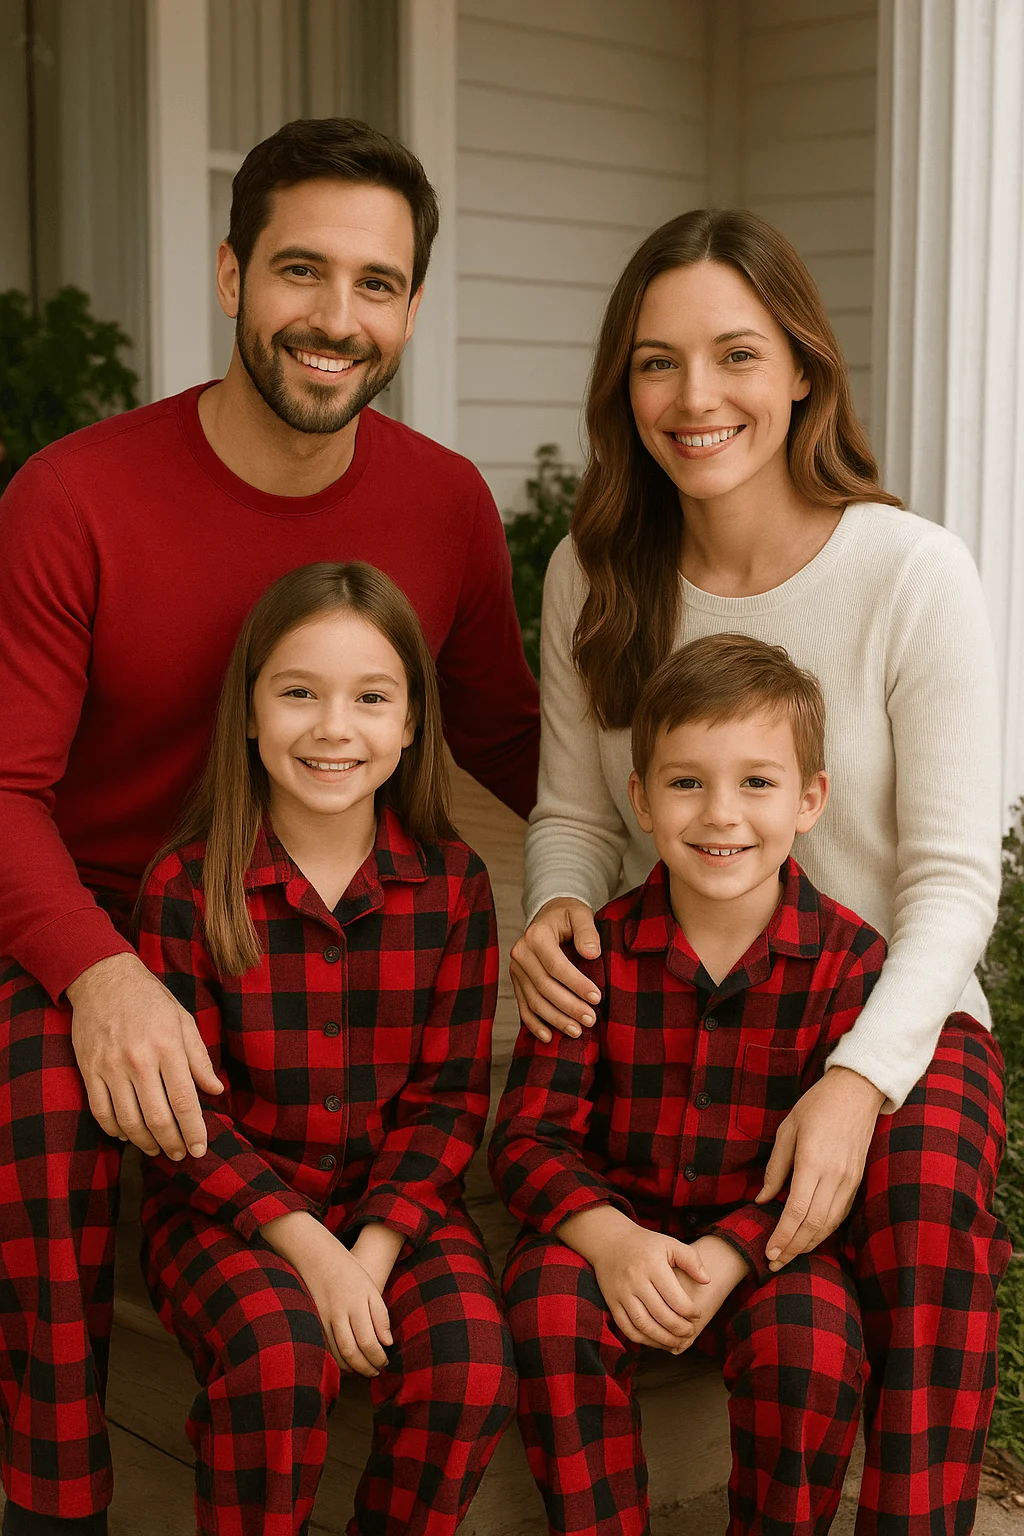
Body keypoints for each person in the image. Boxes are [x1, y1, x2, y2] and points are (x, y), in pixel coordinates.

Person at [0, 118, 536, 1534]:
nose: (336, 318)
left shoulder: (444, 504)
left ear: (411, 309)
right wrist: (101, 974)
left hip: (315, 933)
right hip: (109, 916)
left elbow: (508, 735)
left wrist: (678, 874)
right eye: (303, 271)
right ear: (234, 275)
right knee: (42, 1120)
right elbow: (1, 789)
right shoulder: (74, 497)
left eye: (377, 284)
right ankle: (56, 1502)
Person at [508, 208, 1009, 1532]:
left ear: (801, 369)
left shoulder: (914, 572)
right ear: (626, 385)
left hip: (891, 1009)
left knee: (916, 1211)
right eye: (656, 362)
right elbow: (571, 812)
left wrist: (857, 1082)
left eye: (735, 354)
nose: (695, 397)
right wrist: (558, 905)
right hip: (682, 996)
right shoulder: (597, 574)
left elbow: (956, 885)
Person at [135, 560, 515, 1536]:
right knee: (277, 1358)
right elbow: (188, 1125)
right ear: (251, 715)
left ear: (411, 724)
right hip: (230, 1214)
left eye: (370, 697)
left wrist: (374, 1249)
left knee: (469, 1361)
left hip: (400, 1207)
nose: (333, 726)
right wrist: (313, 1252)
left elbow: (449, 1102)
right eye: (298, 692)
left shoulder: (455, 886)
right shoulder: (188, 887)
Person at [493, 634, 891, 1535]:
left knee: (816, 1346)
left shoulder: (849, 963)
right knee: (547, 1305)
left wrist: (734, 1252)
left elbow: (835, 1170)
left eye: (757, 782)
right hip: (612, 1227)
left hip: (769, 1248)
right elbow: (525, 1140)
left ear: (810, 800)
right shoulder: (591, 952)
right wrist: (612, 1242)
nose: (721, 815)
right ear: (638, 799)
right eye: (685, 783)